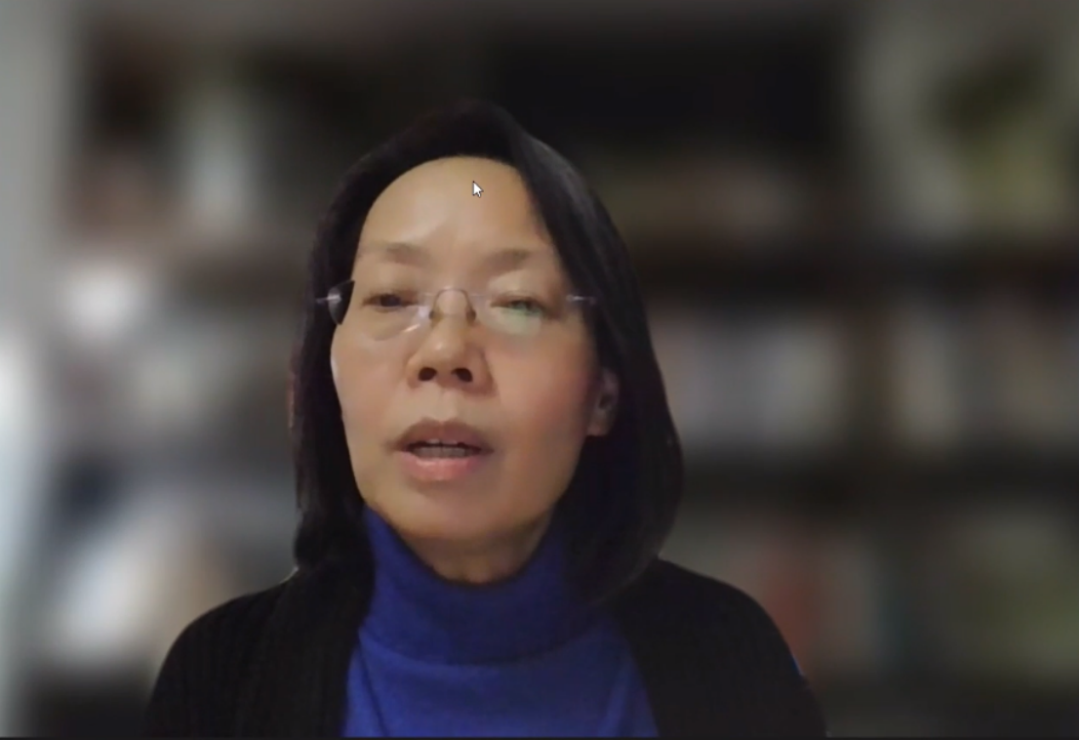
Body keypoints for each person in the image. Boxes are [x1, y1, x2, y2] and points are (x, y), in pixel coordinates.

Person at [142, 99, 827, 737]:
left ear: (604, 391)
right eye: (391, 298)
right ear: (327, 371)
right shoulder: (222, 681)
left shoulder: (733, 666)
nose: (445, 353)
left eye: (518, 303)